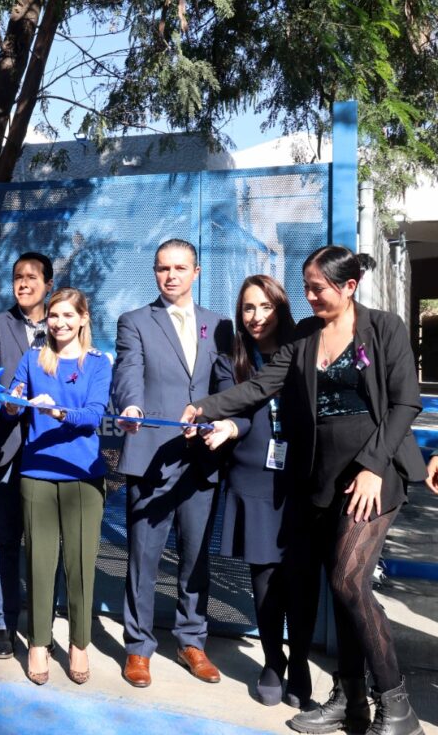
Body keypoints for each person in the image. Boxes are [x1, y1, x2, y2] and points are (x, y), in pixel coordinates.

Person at [183, 246, 426, 735]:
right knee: (342, 590)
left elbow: (405, 403)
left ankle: (397, 706)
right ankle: (350, 699)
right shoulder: (304, 336)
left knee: (348, 581)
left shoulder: (385, 328)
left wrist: (374, 466)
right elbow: (260, 387)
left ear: (349, 286)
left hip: (375, 477)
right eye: (307, 286)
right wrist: (206, 407)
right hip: (321, 478)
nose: (309, 296)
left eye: (319, 287)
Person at [113, 238, 232, 688]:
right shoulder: (135, 321)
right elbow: (128, 371)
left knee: (195, 557)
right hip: (151, 455)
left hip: (202, 457)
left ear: (196, 272)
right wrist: (132, 407)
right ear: (155, 272)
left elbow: (226, 384)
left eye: (180, 268)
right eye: (163, 268)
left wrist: (214, 417)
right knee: (144, 557)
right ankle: (138, 647)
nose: (171, 276)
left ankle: (191, 641)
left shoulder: (219, 325)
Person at [199, 275, 311, 706]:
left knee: (300, 578)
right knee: (264, 578)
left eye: (265, 306)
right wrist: (228, 425)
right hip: (255, 479)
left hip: (302, 478)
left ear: (280, 308)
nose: (257, 316)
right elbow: (238, 408)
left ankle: (299, 661)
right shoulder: (231, 361)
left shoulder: (302, 351)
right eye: (248, 308)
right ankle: (272, 660)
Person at [4, 288, 111, 685]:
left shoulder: (98, 363)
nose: (60, 322)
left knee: (80, 567)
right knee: (40, 564)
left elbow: (93, 416)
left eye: (68, 315)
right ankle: (38, 642)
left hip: (84, 476)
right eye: (54, 315)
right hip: (37, 475)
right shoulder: (33, 359)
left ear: (84, 318)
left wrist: (55, 410)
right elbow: (13, 403)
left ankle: (79, 644)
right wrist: (14, 401)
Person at [0, 251, 54, 659]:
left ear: (48, 285)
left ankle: (44, 626)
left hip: (53, 450)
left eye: (32, 278)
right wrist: (6, 399)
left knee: (46, 544)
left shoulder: (62, 324)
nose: (23, 284)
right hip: (7, 445)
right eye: (18, 278)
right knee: (6, 540)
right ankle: (4, 625)